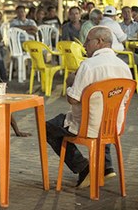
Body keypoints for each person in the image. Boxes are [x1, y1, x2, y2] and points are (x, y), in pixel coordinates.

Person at [46, 26, 132, 188]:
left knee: (47, 128)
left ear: (99, 42)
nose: (84, 45)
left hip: (87, 126)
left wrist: (70, 82)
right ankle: (106, 168)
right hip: (114, 126)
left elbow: (72, 99)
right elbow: (125, 99)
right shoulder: (124, 67)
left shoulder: (89, 65)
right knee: (104, 115)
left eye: (87, 41)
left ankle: (84, 169)